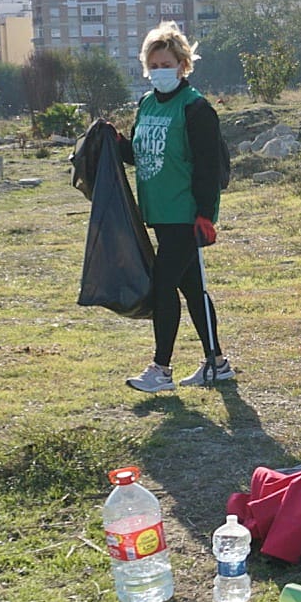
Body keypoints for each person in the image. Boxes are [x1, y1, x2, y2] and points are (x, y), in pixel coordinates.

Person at [119, 21, 232, 393]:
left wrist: (205, 215)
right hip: (159, 214)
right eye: (154, 65)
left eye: (166, 64)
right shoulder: (147, 104)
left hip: (185, 216)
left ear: (183, 65)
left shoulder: (196, 109)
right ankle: (216, 363)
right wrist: (110, 140)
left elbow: (208, 166)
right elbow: (140, 153)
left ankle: (161, 369)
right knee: (192, 289)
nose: (159, 72)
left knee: (161, 285)